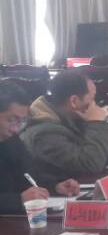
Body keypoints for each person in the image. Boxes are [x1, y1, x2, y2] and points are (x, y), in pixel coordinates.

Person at [19, 70, 108, 185]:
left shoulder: (68, 115)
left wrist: (105, 123)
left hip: (79, 183)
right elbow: (92, 164)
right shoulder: (43, 133)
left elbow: (107, 155)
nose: (94, 104)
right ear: (74, 101)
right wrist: (97, 123)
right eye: (92, 98)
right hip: (57, 192)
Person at [0, 81, 80, 214]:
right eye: (11, 120)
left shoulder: (12, 140)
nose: (16, 129)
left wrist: (55, 185)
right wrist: (18, 200)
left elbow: (29, 175)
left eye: (21, 121)